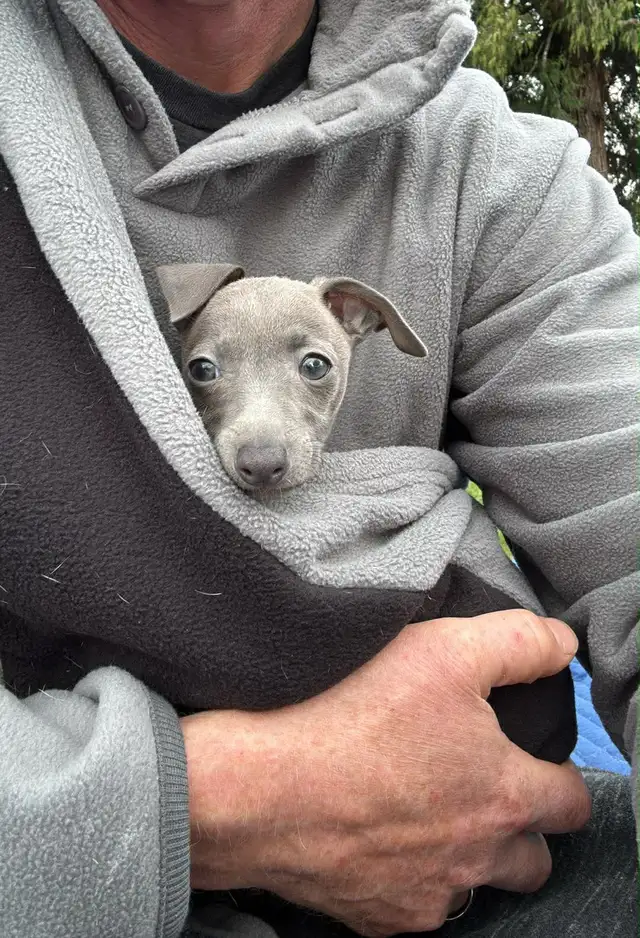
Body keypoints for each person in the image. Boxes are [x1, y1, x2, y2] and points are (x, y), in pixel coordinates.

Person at [0, 1, 636, 936]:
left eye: (310, 365)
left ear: (364, 325)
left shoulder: (497, 175)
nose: (257, 439)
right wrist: (207, 804)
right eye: (206, 371)